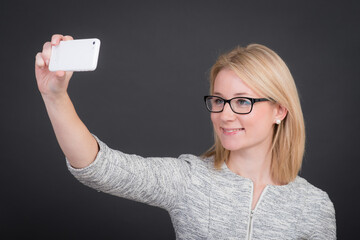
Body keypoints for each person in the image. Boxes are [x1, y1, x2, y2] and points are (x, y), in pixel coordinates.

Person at [35, 34, 336, 239]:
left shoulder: (314, 205)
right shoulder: (190, 180)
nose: (225, 115)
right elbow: (99, 167)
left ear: (280, 111)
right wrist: (55, 96)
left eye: (243, 101)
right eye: (218, 100)